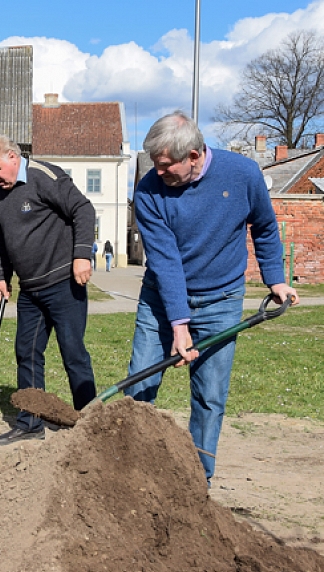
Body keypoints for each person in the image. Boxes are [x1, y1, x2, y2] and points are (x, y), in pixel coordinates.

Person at [124, 111, 298, 485]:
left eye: (167, 165)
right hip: (160, 299)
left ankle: (198, 481)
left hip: (221, 300)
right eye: (155, 164)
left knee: (209, 397)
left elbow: (265, 227)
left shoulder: (243, 174)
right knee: (139, 385)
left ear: (196, 155)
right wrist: (179, 324)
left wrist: (276, 280)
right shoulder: (149, 189)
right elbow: (166, 260)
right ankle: (130, 475)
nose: (159, 172)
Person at [0, 134, 97, 446]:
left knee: (73, 352)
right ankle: (30, 423)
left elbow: (83, 210)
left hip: (63, 284)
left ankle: (92, 425)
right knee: (27, 353)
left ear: (13, 158)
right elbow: (1, 237)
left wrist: (82, 254)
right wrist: (1, 276)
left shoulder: (44, 177)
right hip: (30, 290)